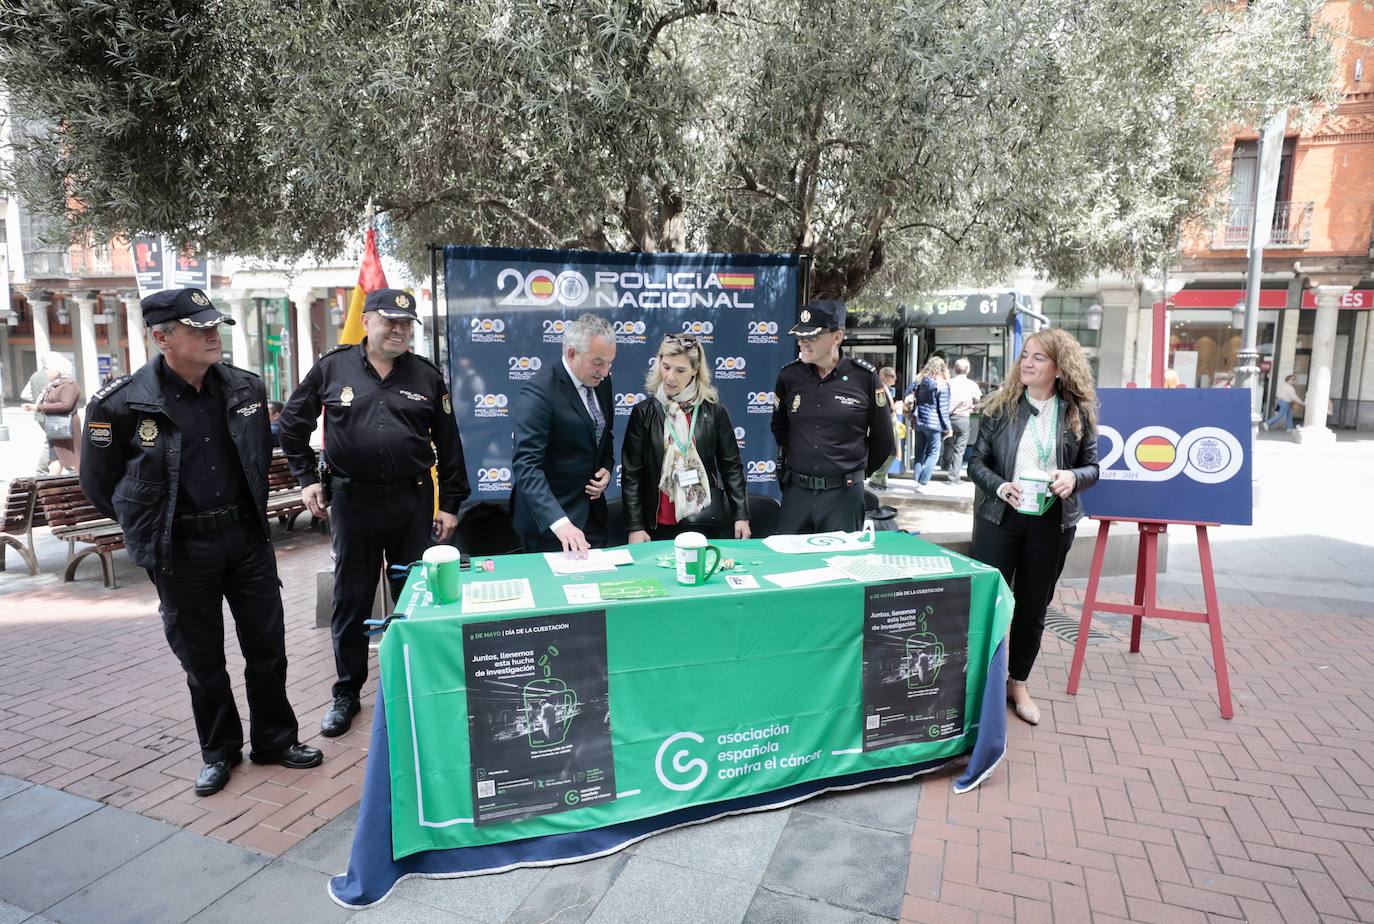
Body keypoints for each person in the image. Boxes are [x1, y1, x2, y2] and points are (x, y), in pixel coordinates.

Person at [79, 288, 322, 796]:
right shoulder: (120, 404)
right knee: (202, 660)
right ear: (162, 337)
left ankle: (276, 740)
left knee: (268, 648)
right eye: (198, 328)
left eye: (215, 325)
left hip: (246, 539)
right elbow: (100, 488)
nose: (213, 335)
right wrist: (150, 526)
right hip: (181, 549)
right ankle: (219, 751)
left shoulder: (245, 389)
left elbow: (255, 460)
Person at [278, 288, 469, 738]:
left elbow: (449, 442)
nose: (399, 330)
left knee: (416, 597)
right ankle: (346, 693)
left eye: (406, 324)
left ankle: (417, 687)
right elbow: (291, 424)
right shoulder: (332, 367)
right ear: (367, 321)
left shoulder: (426, 375)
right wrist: (307, 478)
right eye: (390, 321)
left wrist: (451, 504)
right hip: (353, 502)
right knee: (352, 599)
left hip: (412, 501)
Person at [968, 328, 1099, 727]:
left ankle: (1017, 683)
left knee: (1032, 609)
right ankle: (980, 686)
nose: (1027, 362)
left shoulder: (1077, 412)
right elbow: (975, 462)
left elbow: (1093, 466)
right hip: (1000, 517)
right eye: (1025, 355)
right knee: (988, 605)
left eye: (1038, 357)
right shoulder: (998, 408)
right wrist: (1000, 486)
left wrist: (1073, 478)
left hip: (1051, 522)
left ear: (1059, 368)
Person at [771, 300, 895, 533]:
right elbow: (780, 429)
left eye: (812, 337)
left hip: (844, 496)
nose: (802, 342)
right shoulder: (789, 376)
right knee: (788, 564)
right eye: (800, 336)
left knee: (841, 564)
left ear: (837, 337)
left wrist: (853, 473)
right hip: (797, 493)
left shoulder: (865, 377)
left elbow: (883, 439)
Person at [621, 333, 750, 543]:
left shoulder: (714, 410)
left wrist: (741, 515)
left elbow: (731, 466)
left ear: (695, 370)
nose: (670, 376)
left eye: (680, 370)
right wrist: (635, 526)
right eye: (666, 366)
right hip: (657, 523)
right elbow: (632, 475)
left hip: (702, 519)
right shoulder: (644, 413)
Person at [511, 313, 616, 555]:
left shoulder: (602, 382)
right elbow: (526, 466)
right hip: (551, 527)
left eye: (610, 362)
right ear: (571, 353)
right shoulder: (539, 392)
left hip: (593, 518)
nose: (605, 371)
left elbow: (602, 436)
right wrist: (560, 523)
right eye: (598, 362)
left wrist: (607, 469)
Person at [22, 353, 81, 474]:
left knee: (73, 456)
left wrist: (38, 407)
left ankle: (82, 484)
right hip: (56, 425)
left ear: (57, 371)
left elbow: (66, 405)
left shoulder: (68, 385)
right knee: (55, 455)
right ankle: (52, 484)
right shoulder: (55, 384)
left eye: (48, 369)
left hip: (66, 426)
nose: (46, 372)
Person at [905, 356, 951, 489]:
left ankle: (917, 478)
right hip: (934, 424)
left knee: (919, 451)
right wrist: (948, 427)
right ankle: (924, 480)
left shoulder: (919, 380)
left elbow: (907, 394)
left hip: (919, 420)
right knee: (934, 452)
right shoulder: (942, 384)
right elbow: (942, 409)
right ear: (942, 368)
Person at [941, 357, 983, 483]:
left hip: (947, 418)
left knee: (948, 443)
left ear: (954, 369)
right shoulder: (972, 385)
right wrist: (973, 408)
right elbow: (977, 402)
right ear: (968, 370)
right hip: (963, 419)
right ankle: (953, 476)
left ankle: (945, 466)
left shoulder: (948, 383)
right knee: (959, 449)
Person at [867, 366, 901, 490]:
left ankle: (881, 479)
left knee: (892, 452)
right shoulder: (880, 388)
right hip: (885, 425)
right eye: (892, 376)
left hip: (889, 424)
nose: (895, 379)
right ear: (884, 376)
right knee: (890, 452)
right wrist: (895, 407)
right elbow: (883, 409)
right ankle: (877, 478)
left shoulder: (886, 388)